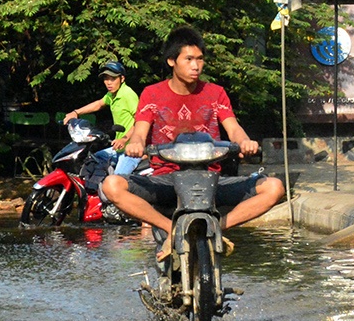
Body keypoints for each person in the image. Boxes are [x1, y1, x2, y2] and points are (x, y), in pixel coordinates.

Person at [101, 27, 285, 258]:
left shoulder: (216, 93)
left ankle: (217, 227)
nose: (195, 66)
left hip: (210, 180)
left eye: (200, 59)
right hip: (166, 181)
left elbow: (233, 127)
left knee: (274, 187)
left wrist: (245, 142)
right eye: (188, 59)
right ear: (171, 61)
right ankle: (172, 229)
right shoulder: (152, 94)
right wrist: (135, 144)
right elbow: (140, 131)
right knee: (112, 185)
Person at [63, 61, 141, 175]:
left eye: (113, 79)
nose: (108, 83)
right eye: (106, 79)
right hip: (118, 148)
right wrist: (75, 112)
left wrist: (124, 139)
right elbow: (99, 104)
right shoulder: (112, 94)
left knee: (115, 182)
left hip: (131, 149)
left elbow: (140, 122)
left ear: (122, 79)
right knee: (94, 160)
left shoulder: (128, 95)